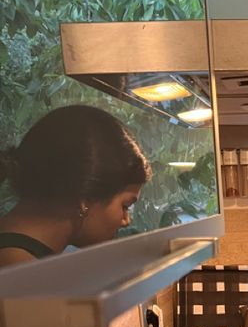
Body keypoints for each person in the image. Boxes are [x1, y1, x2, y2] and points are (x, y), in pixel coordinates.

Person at [0, 104, 150, 267]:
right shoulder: (21, 271)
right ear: (84, 198)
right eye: (125, 206)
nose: (126, 221)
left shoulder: (24, 258)